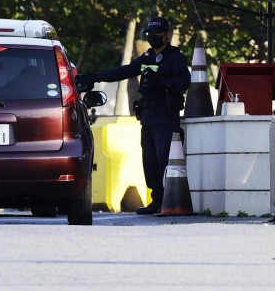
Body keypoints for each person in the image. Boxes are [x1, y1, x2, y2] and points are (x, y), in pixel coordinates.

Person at [76, 16, 190, 215]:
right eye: (150, 34)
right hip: (148, 118)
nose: (153, 38)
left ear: (167, 35)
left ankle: (167, 200)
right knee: (149, 160)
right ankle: (156, 200)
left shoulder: (175, 58)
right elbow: (124, 71)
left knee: (164, 160)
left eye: (157, 34)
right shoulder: (147, 57)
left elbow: (184, 82)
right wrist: (95, 77)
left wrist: (162, 82)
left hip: (166, 116)